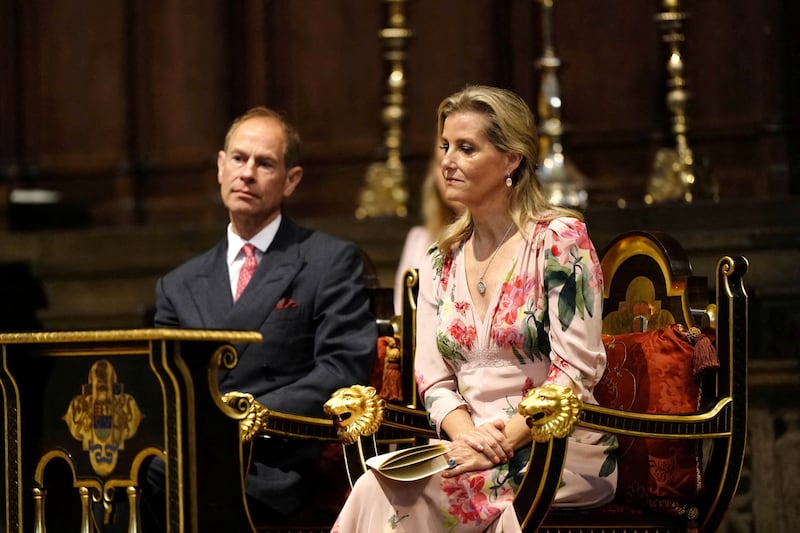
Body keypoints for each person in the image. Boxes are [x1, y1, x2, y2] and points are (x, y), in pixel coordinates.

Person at [332, 85, 617, 533]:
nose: (447, 160)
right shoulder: (438, 259)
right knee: (380, 483)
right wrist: (468, 436)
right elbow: (432, 379)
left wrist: (502, 441)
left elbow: (575, 370)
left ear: (511, 159)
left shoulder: (558, 241)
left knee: (402, 496)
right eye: (445, 146)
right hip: (469, 445)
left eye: (467, 148)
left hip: (556, 448)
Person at [143, 106, 378, 527]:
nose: (247, 173)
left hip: (276, 459)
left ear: (291, 180)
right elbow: (167, 383)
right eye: (238, 158)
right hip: (189, 457)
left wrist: (246, 418)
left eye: (264, 163)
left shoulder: (328, 261)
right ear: (220, 166)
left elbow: (341, 367)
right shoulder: (177, 284)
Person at [393, 142, 462, 315]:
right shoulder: (419, 241)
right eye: (440, 161)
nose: (447, 168)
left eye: (465, 152)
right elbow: (401, 315)